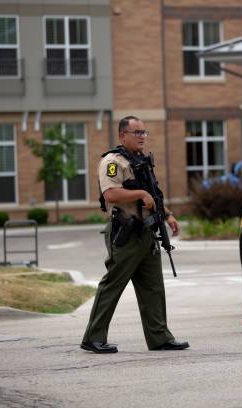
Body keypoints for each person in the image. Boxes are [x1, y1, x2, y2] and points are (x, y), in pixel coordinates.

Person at [81, 115, 189, 353]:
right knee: (112, 285)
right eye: (136, 133)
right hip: (126, 233)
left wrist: (167, 214)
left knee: (153, 287)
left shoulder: (141, 160)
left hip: (148, 231)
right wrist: (139, 194)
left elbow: (153, 193)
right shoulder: (112, 161)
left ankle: (160, 337)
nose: (142, 136)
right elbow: (110, 193)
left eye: (144, 132)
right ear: (123, 135)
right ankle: (93, 337)